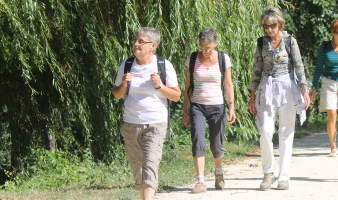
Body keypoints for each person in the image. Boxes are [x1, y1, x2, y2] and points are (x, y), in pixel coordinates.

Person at [112, 27, 181, 200]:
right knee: (138, 170)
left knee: (150, 166)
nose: (136, 44)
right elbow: (117, 95)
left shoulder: (163, 65)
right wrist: (125, 84)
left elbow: (177, 95)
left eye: (141, 41)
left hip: (155, 123)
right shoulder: (126, 65)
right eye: (135, 40)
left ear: (153, 45)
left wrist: (159, 86)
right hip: (131, 124)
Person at [248, 7, 311, 191]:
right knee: (266, 130)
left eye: (272, 26)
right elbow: (256, 71)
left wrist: (305, 90)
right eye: (266, 26)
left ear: (280, 24)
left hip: (287, 87)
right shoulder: (261, 43)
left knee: (286, 133)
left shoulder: (290, 41)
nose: (269, 30)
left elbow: (299, 66)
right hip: (266, 87)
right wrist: (252, 97)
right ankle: (268, 172)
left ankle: (284, 176)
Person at [182, 27, 236, 193]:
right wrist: (186, 109)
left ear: (216, 44)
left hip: (217, 106)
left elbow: (228, 84)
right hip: (197, 105)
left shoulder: (222, 58)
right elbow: (188, 86)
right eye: (202, 47)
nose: (205, 51)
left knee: (216, 144)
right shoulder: (192, 58)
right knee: (198, 140)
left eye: (209, 48)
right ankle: (200, 180)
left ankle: (219, 173)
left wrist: (231, 106)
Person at [310, 19, 338, 157]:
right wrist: (314, 89)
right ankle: (333, 147)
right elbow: (318, 68)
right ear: (332, 32)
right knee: (331, 114)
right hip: (328, 83)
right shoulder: (325, 46)